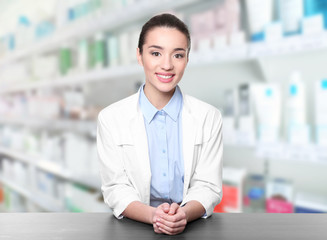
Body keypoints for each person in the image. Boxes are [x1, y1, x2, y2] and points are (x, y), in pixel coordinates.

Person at [97, 13, 223, 235]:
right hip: (134, 228)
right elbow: (115, 188)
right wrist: (154, 216)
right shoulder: (111, 118)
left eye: (177, 55)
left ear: (187, 59)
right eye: (155, 53)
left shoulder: (208, 117)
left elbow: (208, 185)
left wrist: (183, 214)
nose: (166, 65)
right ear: (139, 55)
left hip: (191, 228)